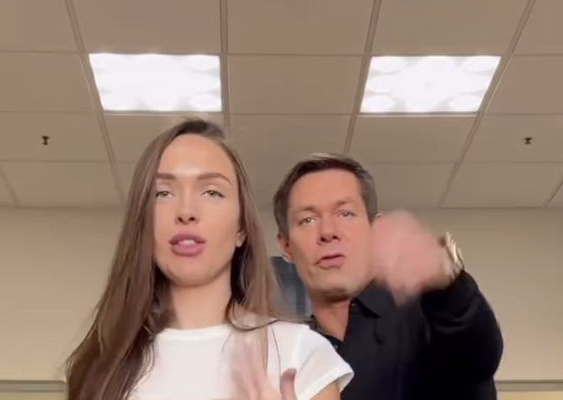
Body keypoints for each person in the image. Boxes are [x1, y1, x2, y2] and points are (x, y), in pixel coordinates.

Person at [64, 120, 353, 400]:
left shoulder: (301, 353)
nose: (186, 211)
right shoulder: (98, 368)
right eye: (163, 193)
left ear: (241, 228)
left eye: (212, 192)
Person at [272, 153, 503, 400]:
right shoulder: (290, 354)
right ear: (286, 246)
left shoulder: (424, 320)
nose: (328, 232)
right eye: (307, 220)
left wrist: (448, 283)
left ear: (374, 229)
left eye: (345, 213)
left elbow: (476, 354)